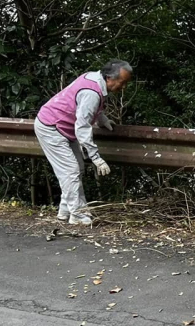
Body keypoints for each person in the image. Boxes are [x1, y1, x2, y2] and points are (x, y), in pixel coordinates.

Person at [34, 60, 133, 226]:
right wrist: (96, 158)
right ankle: (78, 215)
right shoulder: (91, 93)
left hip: (63, 127)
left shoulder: (95, 78)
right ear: (109, 78)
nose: (123, 87)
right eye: (122, 83)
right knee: (71, 171)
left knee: (77, 168)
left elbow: (91, 108)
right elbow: (82, 127)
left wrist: (102, 120)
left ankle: (65, 211)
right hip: (51, 127)